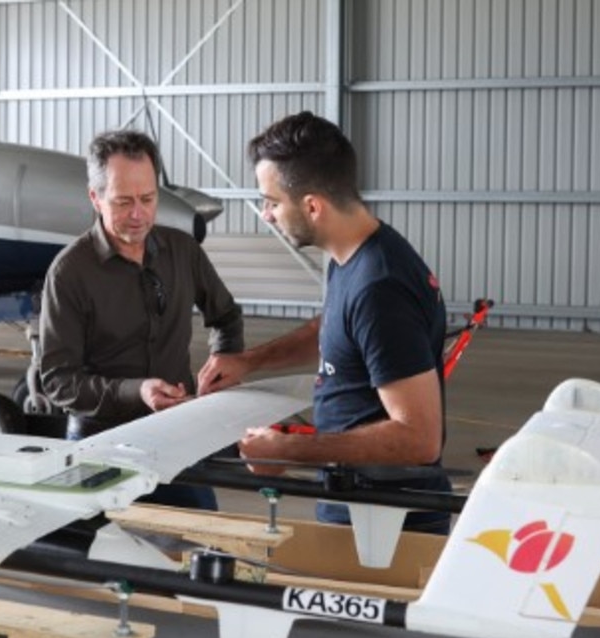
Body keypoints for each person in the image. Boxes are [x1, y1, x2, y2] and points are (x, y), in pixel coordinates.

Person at [197, 111, 451, 534]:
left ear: (313, 206)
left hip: (385, 523)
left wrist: (289, 449)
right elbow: (334, 329)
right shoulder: (352, 256)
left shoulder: (380, 287)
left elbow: (419, 438)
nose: (266, 214)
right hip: (356, 500)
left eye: (273, 201)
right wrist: (248, 361)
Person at [38, 129, 244, 510]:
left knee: (203, 544)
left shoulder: (183, 252)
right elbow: (58, 381)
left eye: (148, 199)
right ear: (95, 198)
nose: (138, 215)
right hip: (98, 444)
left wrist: (224, 364)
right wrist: (138, 390)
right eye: (123, 202)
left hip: (178, 436)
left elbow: (227, 317)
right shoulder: (69, 273)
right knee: (96, 558)